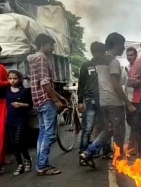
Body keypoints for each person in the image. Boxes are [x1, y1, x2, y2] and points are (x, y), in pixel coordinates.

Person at [80, 33, 135, 168]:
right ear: (115, 45)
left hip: (103, 101)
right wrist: (128, 104)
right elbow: (116, 85)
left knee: (108, 130)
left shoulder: (99, 61)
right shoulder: (113, 62)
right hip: (114, 102)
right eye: (122, 45)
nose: (123, 48)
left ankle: (88, 153)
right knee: (119, 132)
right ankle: (118, 160)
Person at [29, 34, 68, 175]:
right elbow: (45, 83)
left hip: (39, 101)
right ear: (44, 44)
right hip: (46, 101)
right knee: (50, 134)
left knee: (43, 133)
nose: (52, 48)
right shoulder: (41, 58)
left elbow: (44, 83)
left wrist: (59, 96)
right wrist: (56, 100)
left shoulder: (34, 58)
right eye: (51, 45)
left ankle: (40, 164)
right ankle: (43, 165)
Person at [77, 42, 112, 164]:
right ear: (92, 52)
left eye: (101, 52)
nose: (99, 54)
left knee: (106, 126)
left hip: (104, 99)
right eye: (97, 52)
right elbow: (81, 83)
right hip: (90, 99)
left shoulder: (106, 65)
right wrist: (80, 101)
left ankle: (106, 152)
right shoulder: (86, 65)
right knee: (88, 128)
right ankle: (83, 153)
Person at [5, 70, 32, 176]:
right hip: (10, 120)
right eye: (10, 78)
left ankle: (27, 159)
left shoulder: (24, 91)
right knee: (14, 144)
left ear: (20, 79)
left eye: (15, 78)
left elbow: (30, 105)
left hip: (21, 120)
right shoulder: (6, 90)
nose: (12, 81)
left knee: (18, 141)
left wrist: (21, 104)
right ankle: (20, 165)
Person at [123, 47, 139, 155]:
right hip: (127, 99)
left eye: (131, 55)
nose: (129, 57)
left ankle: (133, 145)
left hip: (137, 99)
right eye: (128, 55)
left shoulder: (139, 68)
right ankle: (133, 144)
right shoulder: (125, 68)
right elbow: (124, 84)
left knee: (135, 123)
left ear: (136, 56)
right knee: (130, 122)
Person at [0, 45, 10, 175]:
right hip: (1, 102)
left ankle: (3, 159)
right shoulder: (1, 68)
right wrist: (10, 81)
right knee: (1, 133)